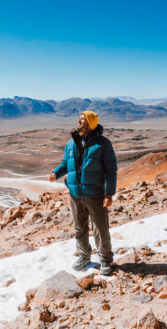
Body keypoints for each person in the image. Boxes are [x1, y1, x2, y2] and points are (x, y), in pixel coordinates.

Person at [48, 111, 117, 275]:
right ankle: (84, 257)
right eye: (79, 119)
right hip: (75, 194)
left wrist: (109, 194)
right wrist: (56, 174)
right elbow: (66, 163)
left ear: (91, 123)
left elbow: (111, 171)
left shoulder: (103, 144)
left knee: (100, 228)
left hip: (96, 194)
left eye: (83, 119)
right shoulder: (71, 143)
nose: (79, 121)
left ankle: (105, 260)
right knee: (80, 228)